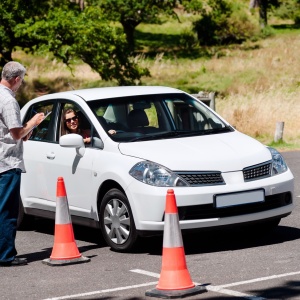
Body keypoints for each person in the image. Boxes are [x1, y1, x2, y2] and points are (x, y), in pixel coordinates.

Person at [0, 61, 45, 267]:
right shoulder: (8, 101)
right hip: (7, 162)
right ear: (16, 79)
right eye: (22, 80)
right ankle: (6, 255)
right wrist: (33, 122)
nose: (22, 84)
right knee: (7, 212)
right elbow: (17, 133)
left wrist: (24, 131)